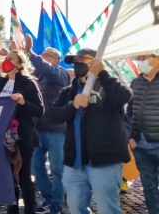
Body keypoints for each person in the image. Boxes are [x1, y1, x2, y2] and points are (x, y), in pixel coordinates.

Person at [50, 48, 132, 214]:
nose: (78, 62)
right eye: (76, 60)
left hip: (105, 162)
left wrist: (102, 73)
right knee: (75, 208)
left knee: (108, 209)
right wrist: (72, 105)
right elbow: (53, 115)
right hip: (74, 164)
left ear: (96, 61)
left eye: (83, 59)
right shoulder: (68, 91)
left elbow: (123, 96)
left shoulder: (110, 85)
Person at [0, 40, 44, 214]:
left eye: (11, 58)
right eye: (6, 58)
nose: (7, 61)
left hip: (23, 136)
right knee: (8, 176)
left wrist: (23, 102)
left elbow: (40, 110)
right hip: (3, 136)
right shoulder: (1, 81)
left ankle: (29, 210)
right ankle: (12, 209)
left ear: (20, 64)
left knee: (23, 177)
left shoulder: (28, 83)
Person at [23, 34, 70, 214]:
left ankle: (57, 203)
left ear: (56, 60)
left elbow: (47, 68)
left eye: (46, 55)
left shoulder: (61, 73)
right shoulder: (36, 77)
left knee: (58, 169)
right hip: (38, 129)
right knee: (36, 167)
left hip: (57, 130)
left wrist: (31, 53)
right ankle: (48, 199)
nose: (42, 57)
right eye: (41, 55)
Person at [127, 52, 159, 213]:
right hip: (139, 145)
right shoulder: (135, 83)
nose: (141, 62)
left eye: (144, 58)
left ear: (157, 58)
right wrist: (130, 135)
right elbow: (128, 112)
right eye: (139, 59)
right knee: (149, 186)